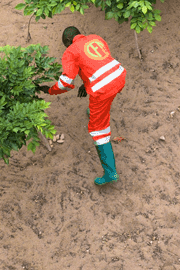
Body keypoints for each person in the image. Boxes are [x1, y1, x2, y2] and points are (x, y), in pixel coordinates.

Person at [47, 26, 126, 186]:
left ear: (68, 41)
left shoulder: (70, 52)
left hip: (103, 89)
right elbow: (96, 64)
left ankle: (110, 173)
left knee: (98, 130)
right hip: (119, 76)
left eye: (65, 44)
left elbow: (66, 83)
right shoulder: (95, 37)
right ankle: (96, 111)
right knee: (104, 99)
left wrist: (50, 90)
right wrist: (86, 82)